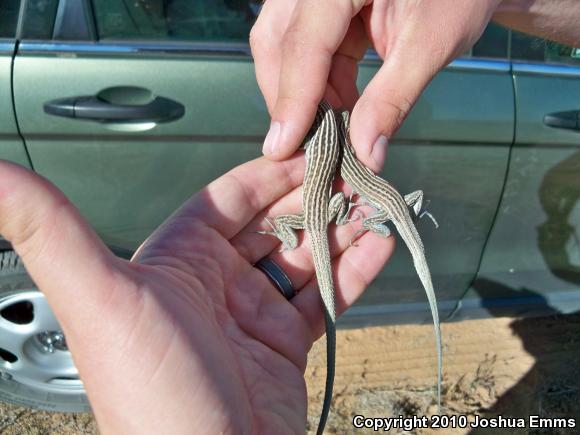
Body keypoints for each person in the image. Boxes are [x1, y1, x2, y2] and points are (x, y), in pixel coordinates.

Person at [0, 0, 579, 433]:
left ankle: (389, 221)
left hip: (334, 203)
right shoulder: (341, 144)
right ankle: (398, 219)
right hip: (362, 199)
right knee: (376, 225)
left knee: (352, 227)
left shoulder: (324, 147)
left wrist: (300, 224)